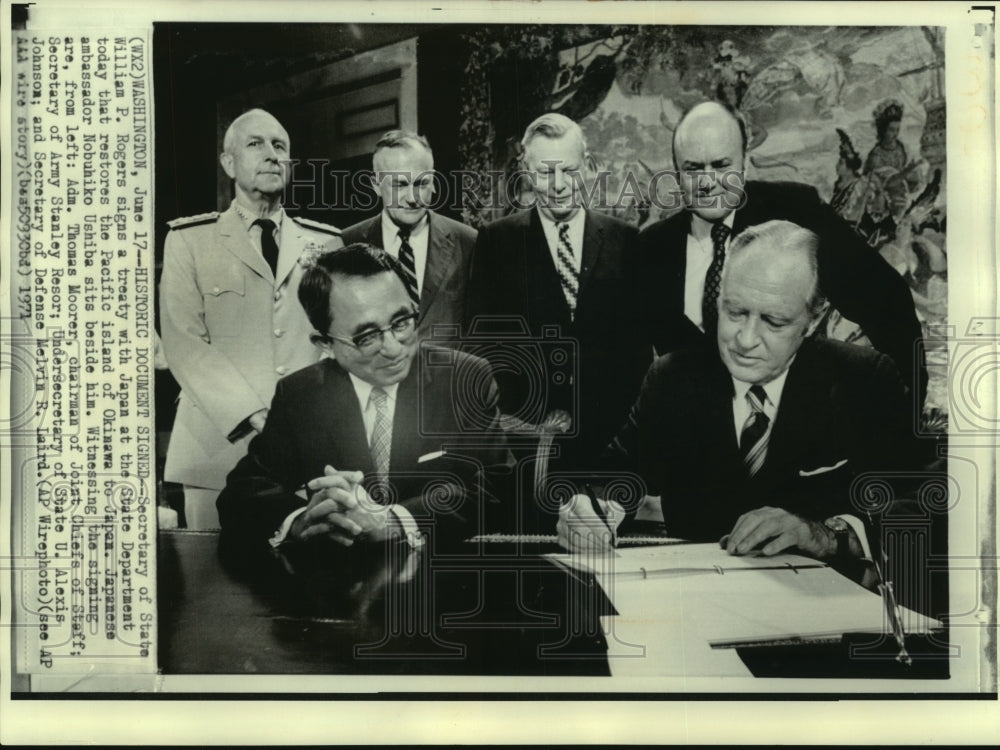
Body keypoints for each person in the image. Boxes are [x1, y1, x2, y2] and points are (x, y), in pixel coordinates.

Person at [559, 220, 917, 572]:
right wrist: (589, 512)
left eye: (773, 322)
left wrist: (826, 534)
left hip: (824, 611)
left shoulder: (864, 379)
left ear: (812, 320)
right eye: (735, 312)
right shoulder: (673, 378)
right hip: (700, 605)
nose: (745, 340)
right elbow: (610, 478)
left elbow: (919, 504)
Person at [216, 243, 512, 557]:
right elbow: (242, 492)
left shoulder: (463, 379)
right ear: (325, 343)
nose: (395, 348)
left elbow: (498, 486)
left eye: (401, 323)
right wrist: (302, 519)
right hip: (338, 589)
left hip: (439, 582)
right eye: (366, 336)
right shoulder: (300, 394)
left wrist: (393, 521)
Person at [638, 100, 926, 409]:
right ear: (677, 173)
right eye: (693, 169)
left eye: (722, 165)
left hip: (794, 430)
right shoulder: (651, 248)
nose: (708, 183)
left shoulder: (795, 210)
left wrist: (904, 411)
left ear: (744, 162)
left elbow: (886, 298)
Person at [159, 108, 343, 529]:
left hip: (308, 451)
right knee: (212, 583)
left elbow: (335, 339)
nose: (271, 154)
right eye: (255, 144)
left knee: (300, 583)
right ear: (228, 163)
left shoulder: (326, 243)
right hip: (217, 447)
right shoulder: (190, 240)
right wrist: (257, 417)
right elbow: (184, 343)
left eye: (280, 146)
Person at [466, 112, 652, 470]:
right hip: (526, 449)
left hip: (611, 448)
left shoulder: (625, 240)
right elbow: (485, 347)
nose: (559, 184)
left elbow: (639, 353)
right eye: (545, 172)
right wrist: (512, 434)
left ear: (587, 165)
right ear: (526, 173)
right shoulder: (496, 241)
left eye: (569, 170)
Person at [342, 130, 478, 342]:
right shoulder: (348, 244)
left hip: (448, 373)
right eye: (400, 185)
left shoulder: (468, 242)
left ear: (433, 182)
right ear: (376, 185)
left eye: (421, 184)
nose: (413, 198)